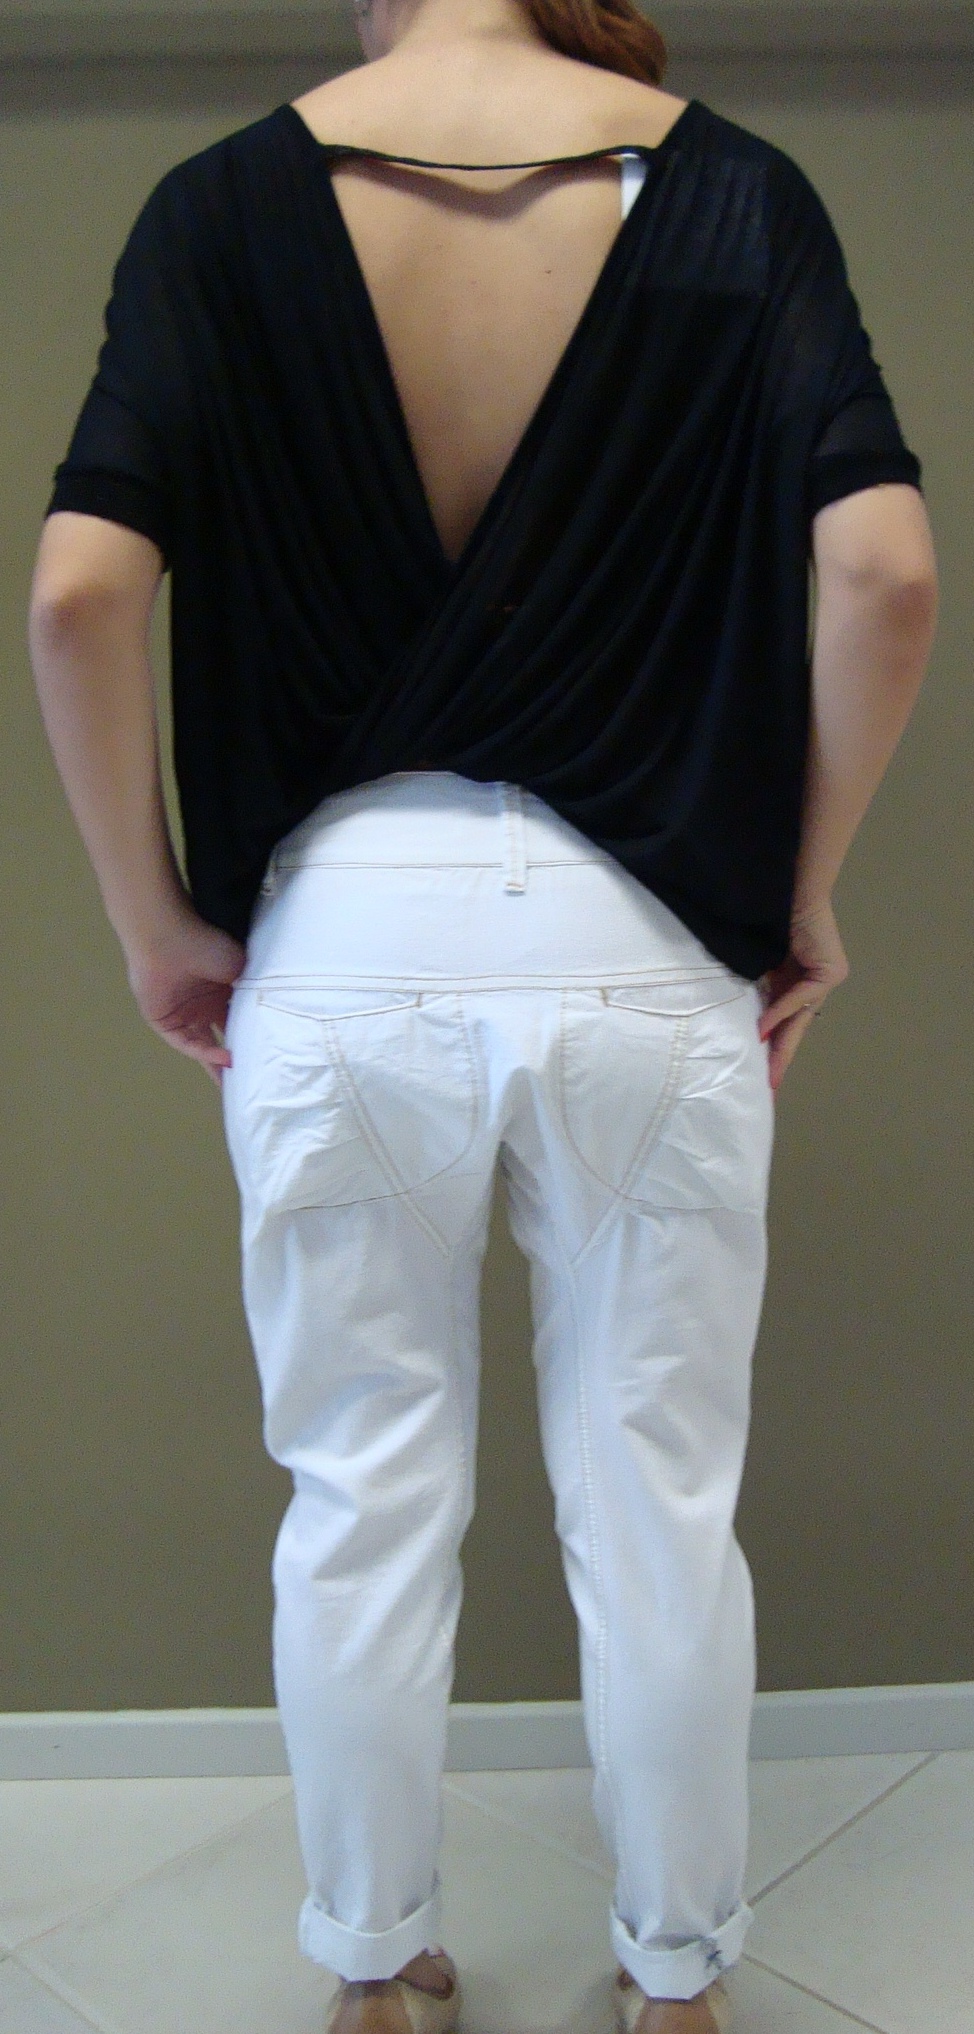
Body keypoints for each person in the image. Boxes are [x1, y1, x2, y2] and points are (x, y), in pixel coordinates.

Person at [28, 0, 938, 2029]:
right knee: (658, 1507)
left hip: (342, 949)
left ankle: (376, 1973)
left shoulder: (217, 209)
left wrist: (152, 920)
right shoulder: (735, 195)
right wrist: (797, 890)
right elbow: (882, 573)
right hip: (648, 948)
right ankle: (677, 1982)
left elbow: (80, 593)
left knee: (358, 1499)